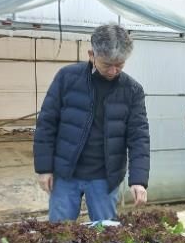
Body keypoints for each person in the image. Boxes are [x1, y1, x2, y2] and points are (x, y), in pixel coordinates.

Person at [33, 24, 150, 222]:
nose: (113, 71)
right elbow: (46, 124)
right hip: (66, 173)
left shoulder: (132, 90)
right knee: (60, 232)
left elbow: (139, 137)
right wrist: (44, 169)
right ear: (91, 55)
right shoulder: (67, 77)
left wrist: (138, 180)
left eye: (120, 65)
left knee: (105, 233)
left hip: (105, 177)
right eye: (107, 64)